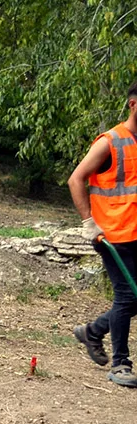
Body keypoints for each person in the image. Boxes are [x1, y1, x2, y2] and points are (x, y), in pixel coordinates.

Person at [68, 80, 137, 388]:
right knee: (127, 296)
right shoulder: (111, 141)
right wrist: (89, 224)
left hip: (135, 232)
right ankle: (121, 363)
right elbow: (75, 179)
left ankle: (93, 331)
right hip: (111, 234)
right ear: (133, 104)